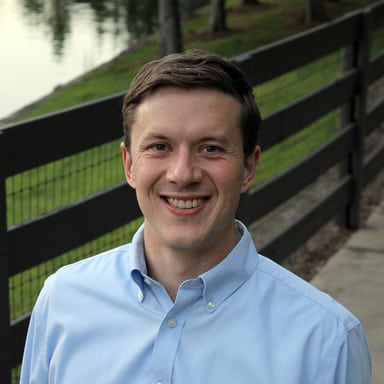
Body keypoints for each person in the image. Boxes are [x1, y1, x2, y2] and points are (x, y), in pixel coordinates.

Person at [20, 49, 371, 383]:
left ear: (248, 166)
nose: (182, 174)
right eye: (159, 146)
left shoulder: (326, 340)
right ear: (129, 165)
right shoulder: (63, 302)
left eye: (210, 148)